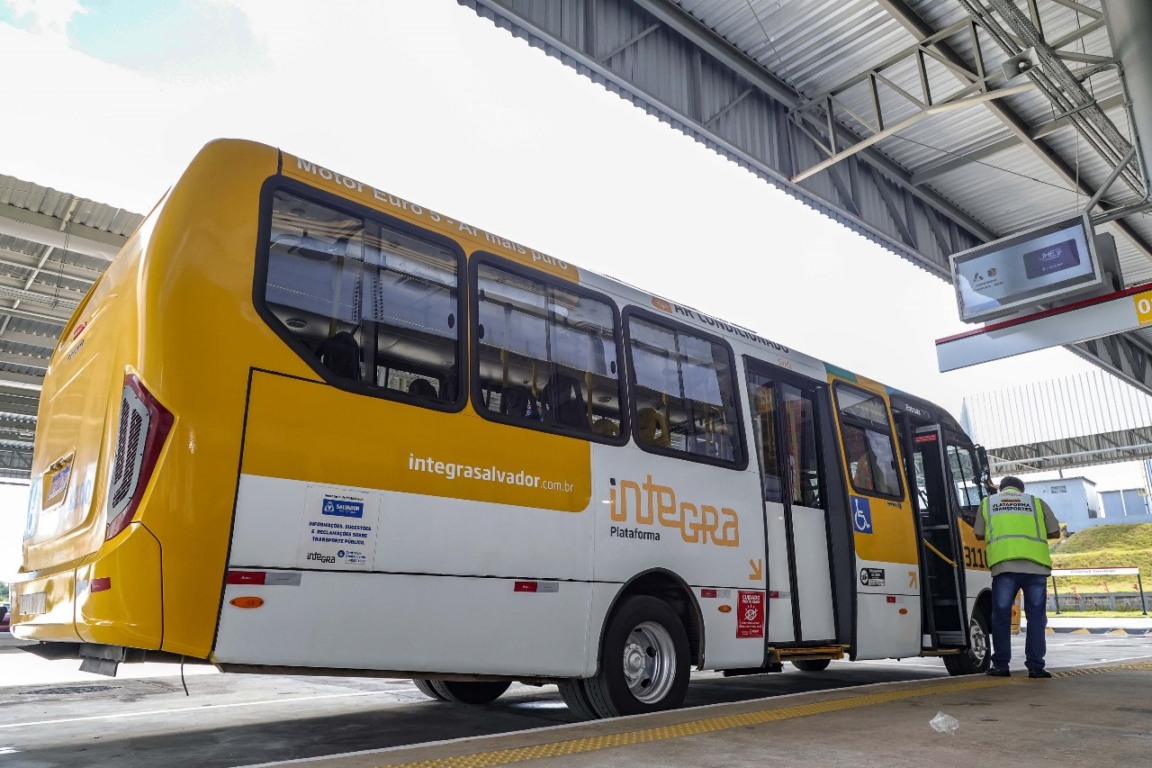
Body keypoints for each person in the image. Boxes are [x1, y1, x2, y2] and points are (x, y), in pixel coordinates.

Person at [974, 475, 1061, 678]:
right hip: (1036, 567)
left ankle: (1001, 665)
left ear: (1000, 489)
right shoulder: (1036, 502)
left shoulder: (988, 503)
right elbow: (1055, 532)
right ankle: (1036, 666)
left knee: (1001, 616)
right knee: (1036, 617)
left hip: (1004, 566)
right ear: (1022, 490)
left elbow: (978, 534)